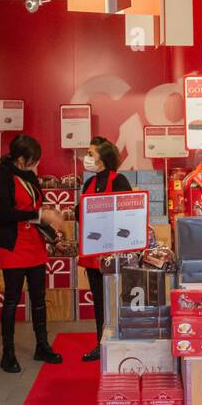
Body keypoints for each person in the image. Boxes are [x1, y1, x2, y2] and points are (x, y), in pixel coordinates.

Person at [0, 134, 64, 373]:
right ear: (21, 158)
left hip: (33, 242)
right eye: (32, 159)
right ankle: (8, 353)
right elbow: (4, 213)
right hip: (12, 244)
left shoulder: (30, 176)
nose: (35, 164)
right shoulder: (0, 174)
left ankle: (42, 345)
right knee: (12, 299)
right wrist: (39, 215)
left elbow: (35, 207)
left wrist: (48, 224)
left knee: (39, 297)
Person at [77, 136, 132, 362]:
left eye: (91, 154)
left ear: (103, 159)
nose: (86, 158)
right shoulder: (89, 183)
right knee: (99, 300)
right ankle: (102, 343)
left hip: (115, 253)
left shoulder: (119, 180)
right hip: (93, 253)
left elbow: (128, 213)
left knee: (117, 298)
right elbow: (80, 211)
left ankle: (122, 341)